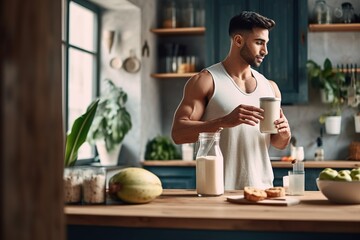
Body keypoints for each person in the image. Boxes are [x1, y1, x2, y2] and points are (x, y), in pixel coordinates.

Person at [171, 11, 291, 190]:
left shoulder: (270, 87)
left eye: (266, 43)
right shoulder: (206, 81)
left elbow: (278, 143)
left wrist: (285, 134)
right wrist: (224, 121)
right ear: (238, 41)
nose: (265, 51)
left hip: (262, 191)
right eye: (259, 42)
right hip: (217, 192)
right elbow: (178, 134)